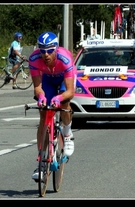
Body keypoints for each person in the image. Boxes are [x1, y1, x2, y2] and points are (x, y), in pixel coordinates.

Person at [28, 31, 77, 181]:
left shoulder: (65, 59)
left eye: (49, 50)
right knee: (44, 113)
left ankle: (67, 135)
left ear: (55, 48)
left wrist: (59, 97)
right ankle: (42, 163)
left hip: (64, 79)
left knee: (63, 102)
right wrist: (41, 96)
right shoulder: (34, 59)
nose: (46, 54)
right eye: (42, 51)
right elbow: (37, 87)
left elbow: (70, 91)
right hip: (48, 79)